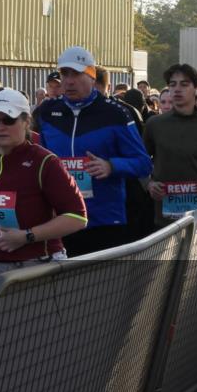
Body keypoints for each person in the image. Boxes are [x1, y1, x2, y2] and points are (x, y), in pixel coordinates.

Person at [0, 88, 87, 281]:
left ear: (26, 122)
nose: (0, 127)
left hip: (34, 266)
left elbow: (77, 217)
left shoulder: (45, 162)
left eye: (9, 120)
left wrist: (27, 236)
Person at [35, 47, 152, 256]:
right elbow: (41, 161)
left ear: (91, 75)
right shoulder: (47, 112)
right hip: (61, 220)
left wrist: (111, 166)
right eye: (65, 74)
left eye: (76, 74)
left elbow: (143, 163)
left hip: (105, 220)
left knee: (103, 287)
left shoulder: (116, 112)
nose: (69, 81)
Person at [144, 64, 197, 225]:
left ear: (196, 88)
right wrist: (149, 184)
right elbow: (140, 163)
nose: (177, 89)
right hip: (164, 219)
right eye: (172, 84)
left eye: (184, 84)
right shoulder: (154, 124)